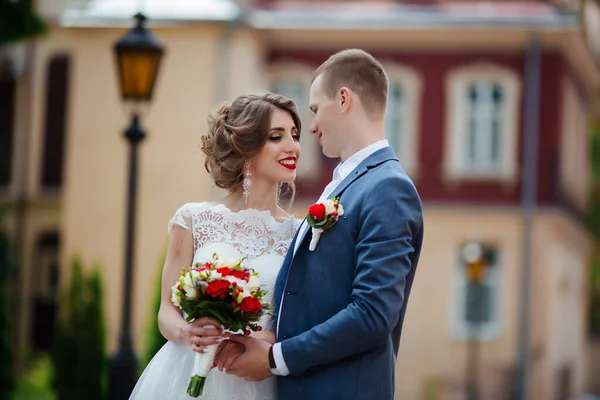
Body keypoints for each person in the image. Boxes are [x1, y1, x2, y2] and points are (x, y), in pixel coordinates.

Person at [223, 49, 424, 400]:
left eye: (315, 109)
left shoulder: (388, 188)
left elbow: (372, 315)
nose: (311, 126)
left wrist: (275, 358)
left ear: (344, 99)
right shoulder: (347, 185)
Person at [129, 92, 303, 400]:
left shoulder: (298, 234)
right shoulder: (193, 219)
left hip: (256, 379)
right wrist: (188, 332)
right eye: (277, 137)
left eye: (295, 135)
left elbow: (295, 322)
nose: (293, 146)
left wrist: (260, 340)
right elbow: (167, 310)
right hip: (185, 371)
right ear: (245, 147)